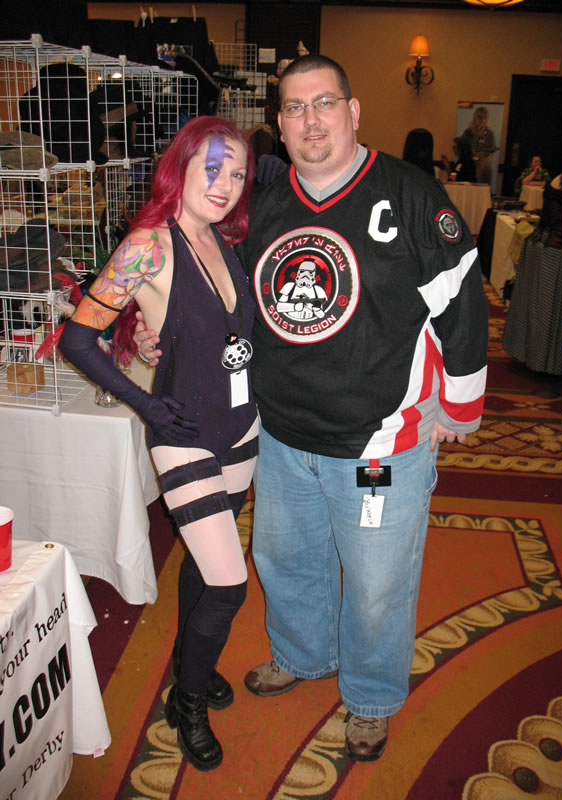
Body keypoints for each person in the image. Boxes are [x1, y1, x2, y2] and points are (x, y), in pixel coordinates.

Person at [136, 54, 488, 763]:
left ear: (353, 111)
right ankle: (302, 654)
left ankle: (372, 696)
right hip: (280, 435)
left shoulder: (410, 193)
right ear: (280, 122)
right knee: (285, 561)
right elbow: (224, 298)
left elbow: (462, 300)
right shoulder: (261, 203)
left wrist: (461, 405)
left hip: (379, 442)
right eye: (294, 109)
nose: (310, 121)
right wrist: (158, 328)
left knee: (377, 583)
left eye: (324, 103)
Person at [59, 117, 258, 771]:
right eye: (212, 168)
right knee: (228, 583)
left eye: (237, 173)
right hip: (184, 435)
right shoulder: (148, 244)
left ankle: (189, 663)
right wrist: (145, 403)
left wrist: (150, 334)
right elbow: (77, 339)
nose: (225, 184)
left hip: (241, 429)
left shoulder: (221, 236)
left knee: (205, 564)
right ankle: (186, 701)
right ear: (181, 166)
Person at [503, 149, 562, 374]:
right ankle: (543, 362)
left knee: (531, 304)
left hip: (537, 247)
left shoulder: (559, 180)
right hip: (558, 254)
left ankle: (525, 353)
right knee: (549, 311)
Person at [462, 106, 497, 184]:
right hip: (468, 168)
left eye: (485, 118)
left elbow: (492, 152)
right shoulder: (467, 133)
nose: (482, 121)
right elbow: (462, 150)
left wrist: (483, 161)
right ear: (474, 118)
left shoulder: (490, 134)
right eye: (480, 117)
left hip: (483, 169)